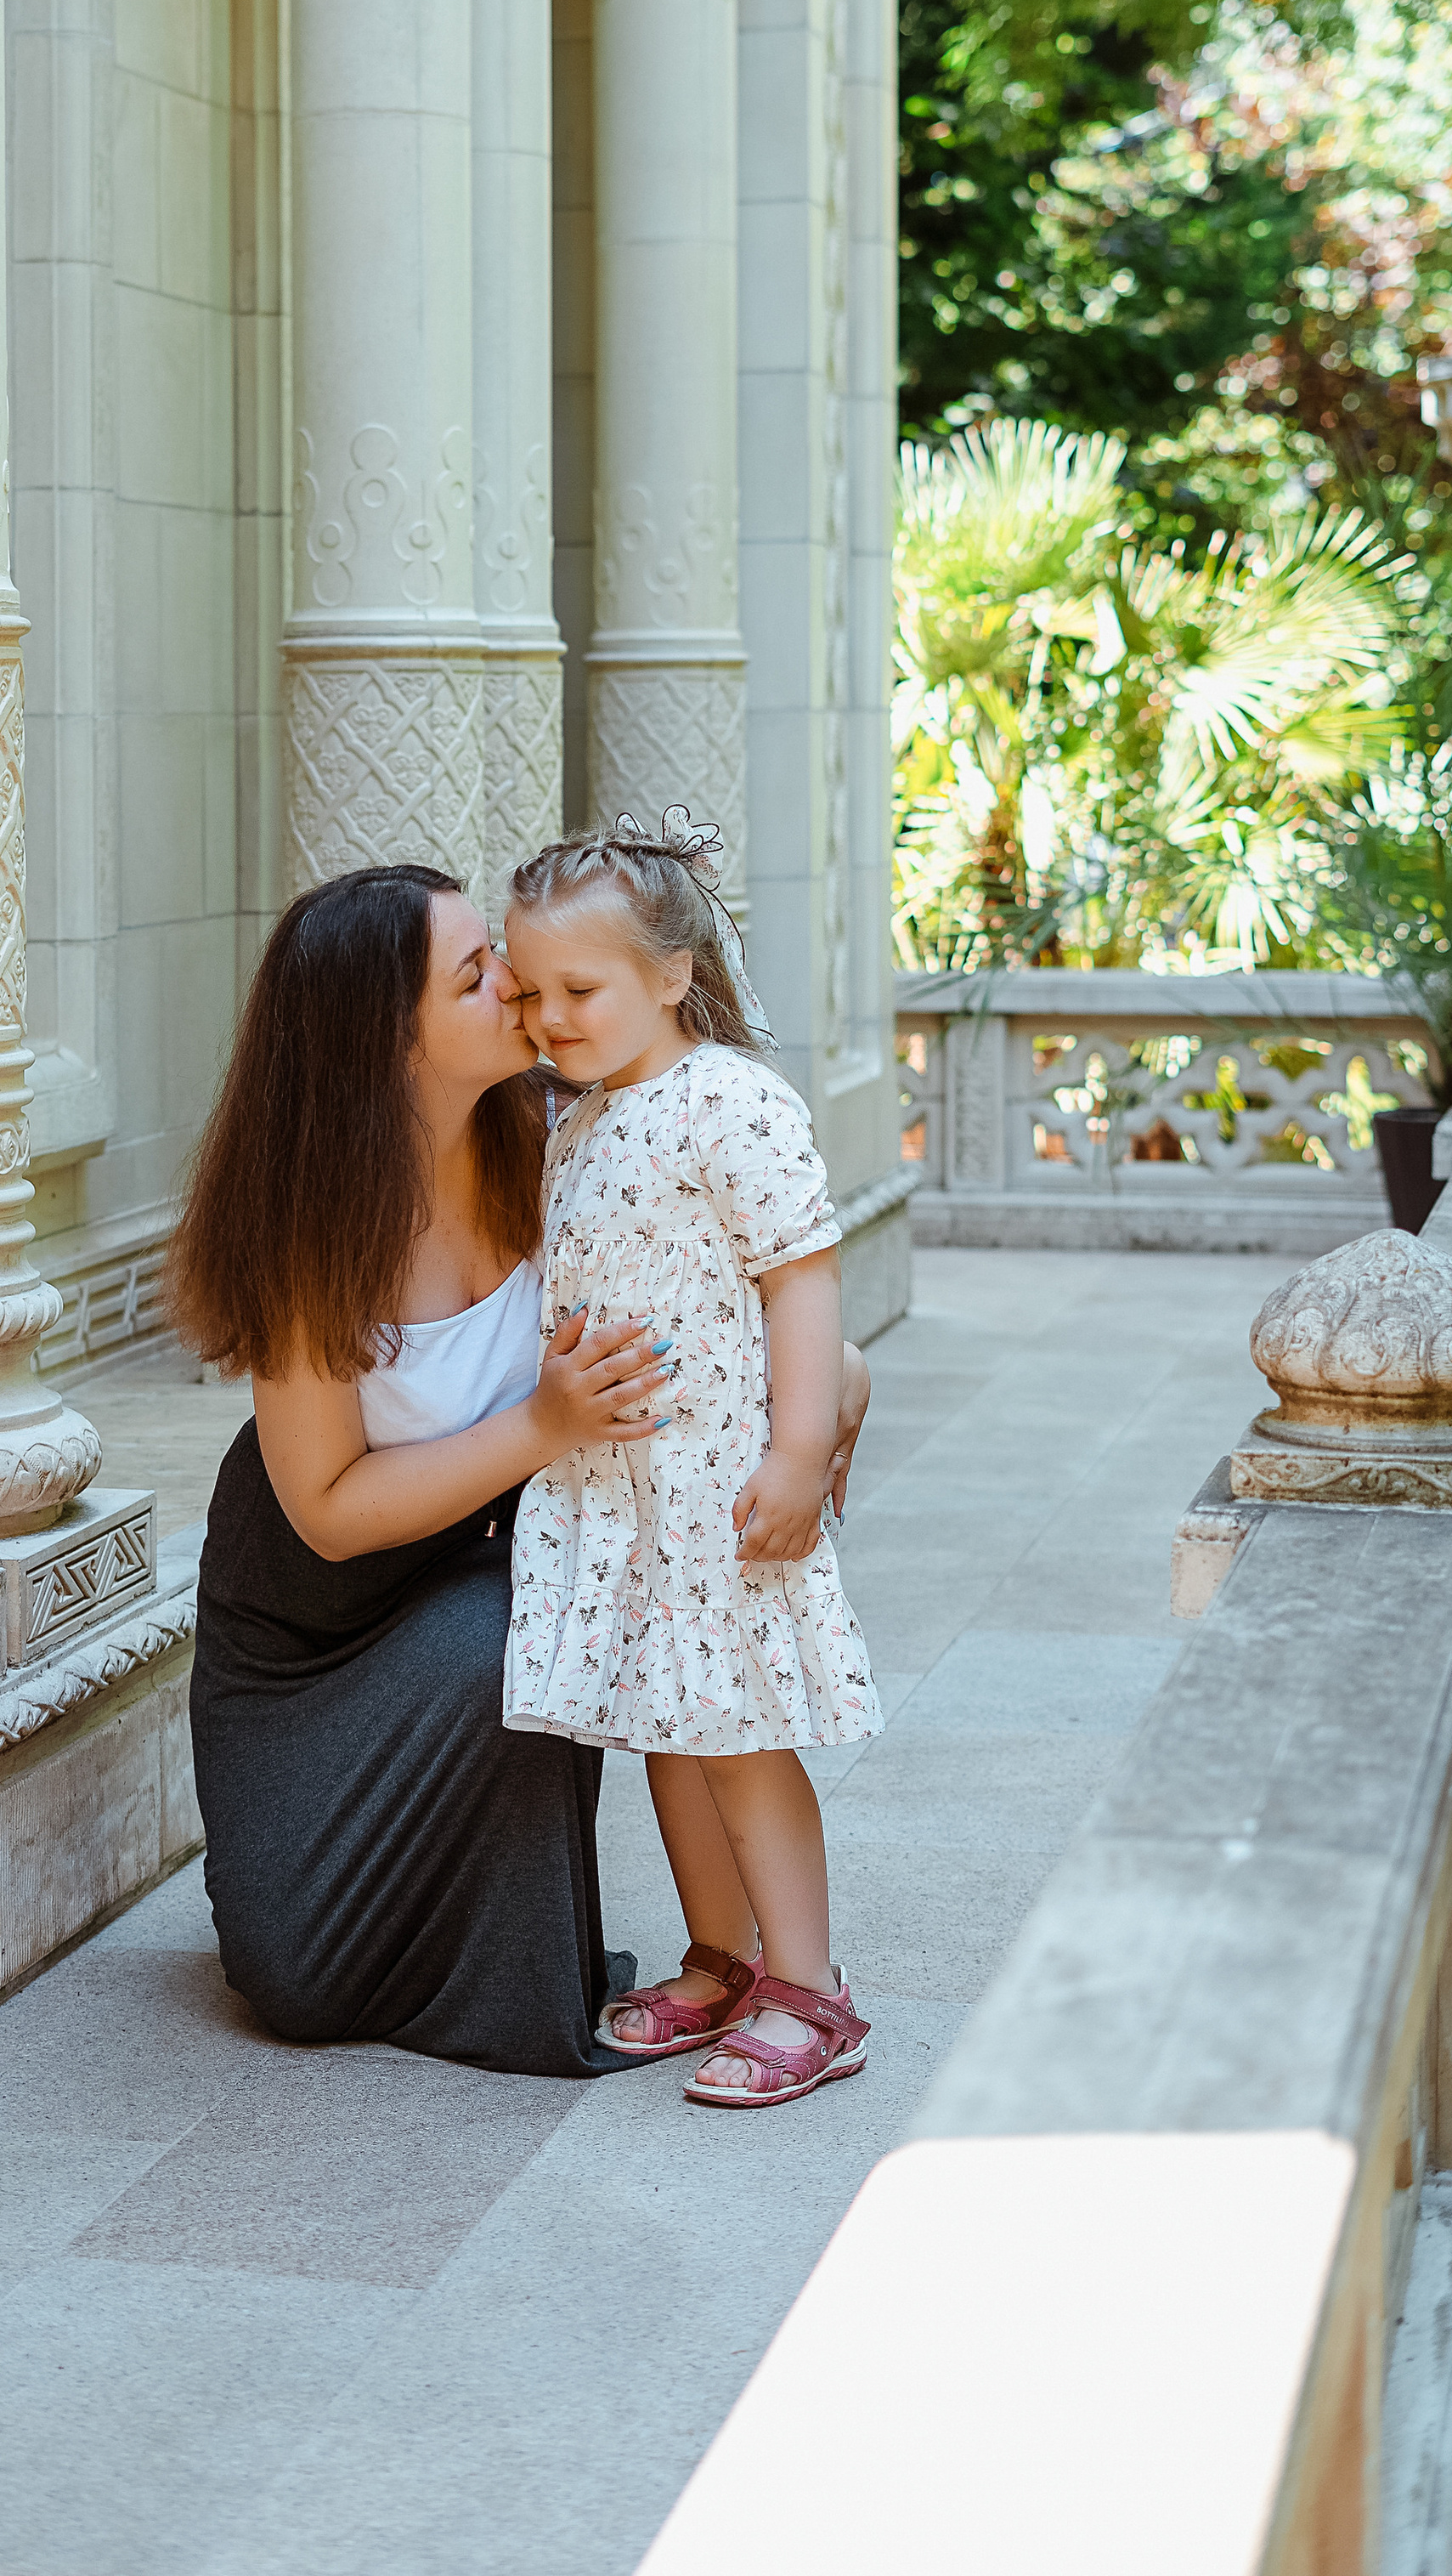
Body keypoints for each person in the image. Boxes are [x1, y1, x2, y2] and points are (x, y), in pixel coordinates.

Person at [169, 859, 870, 2082]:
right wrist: (546, 1428)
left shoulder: (569, 1127)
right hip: (320, 1617)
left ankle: (761, 1974)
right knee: (296, 1978)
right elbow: (328, 1515)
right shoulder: (309, 1232)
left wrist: (822, 1408)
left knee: (570, 1627)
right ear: (389, 1041)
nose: (519, 987)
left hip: (495, 1557)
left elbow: (743, 1279)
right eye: (476, 973)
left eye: (501, 953)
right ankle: (701, 1955)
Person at [502, 821, 883, 2108]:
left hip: (716, 1487)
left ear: (672, 975)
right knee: (669, 1728)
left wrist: (800, 1447)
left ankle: (812, 1988)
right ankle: (721, 1957)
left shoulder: (731, 1099)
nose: (549, 1018)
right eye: (530, 992)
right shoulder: (581, 1119)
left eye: (579, 989)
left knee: (743, 1735)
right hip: (623, 1496)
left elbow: (801, 1277)